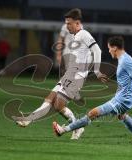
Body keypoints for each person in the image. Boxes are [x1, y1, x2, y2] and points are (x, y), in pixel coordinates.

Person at [12, 8, 109, 140]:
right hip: (70, 74)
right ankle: (28, 120)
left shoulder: (84, 34)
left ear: (77, 23)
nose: (67, 26)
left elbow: (97, 50)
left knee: (57, 104)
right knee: (50, 100)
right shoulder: (76, 36)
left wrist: (96, 70)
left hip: (77, 77)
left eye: (69, 23)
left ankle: (76, 126)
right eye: (66, 23)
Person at [53, 36, 132, 143]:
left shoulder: (126, 61)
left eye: (109, 48)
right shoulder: (124, 59)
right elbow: (128, 80)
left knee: (92, 113)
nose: (109, 51)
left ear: (114, 48)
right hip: (125, 97)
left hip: (123, 99)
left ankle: (62, 130)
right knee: (121, 115)